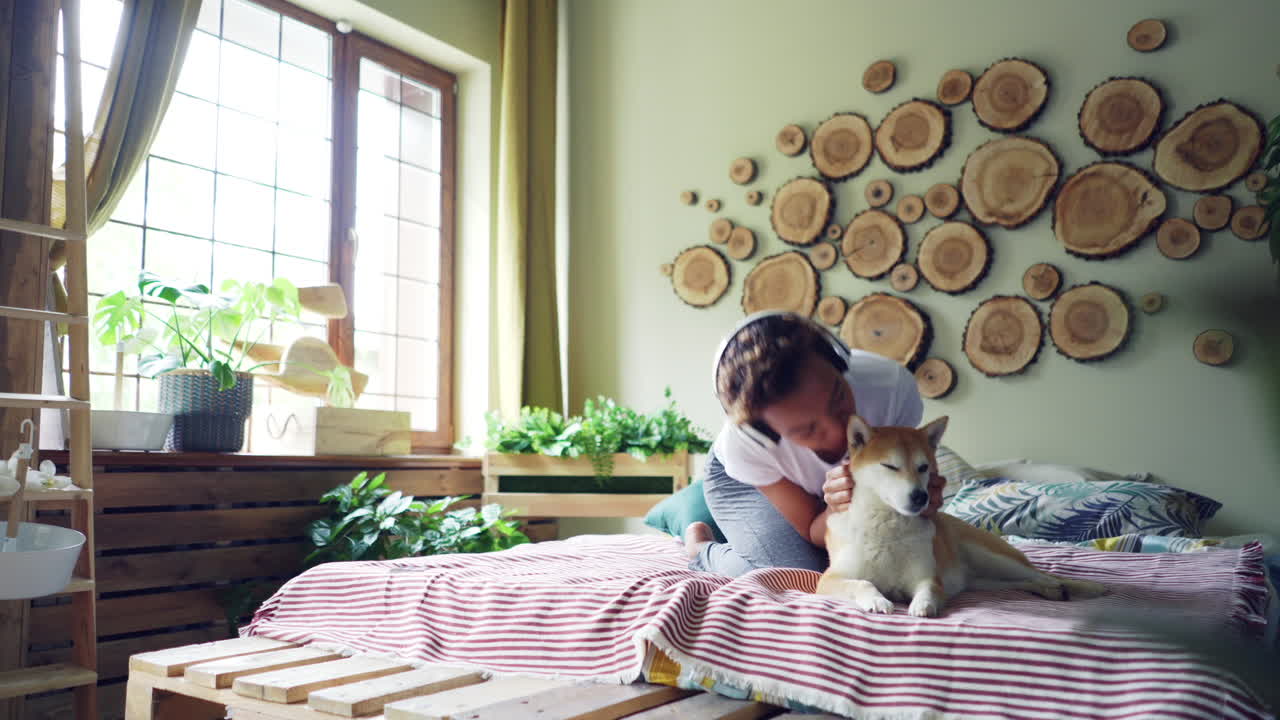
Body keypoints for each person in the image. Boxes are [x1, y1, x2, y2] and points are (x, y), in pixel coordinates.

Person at [683, 311, 945, 576]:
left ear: (838, 362)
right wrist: (835, 508)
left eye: (838, 398)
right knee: (800, 574)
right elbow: (812, 528)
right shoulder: (747, 445)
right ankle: (700, 548)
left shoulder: (892, 388)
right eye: (806, 429)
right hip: (743, 482)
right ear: (764, 432)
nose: (837, 432)